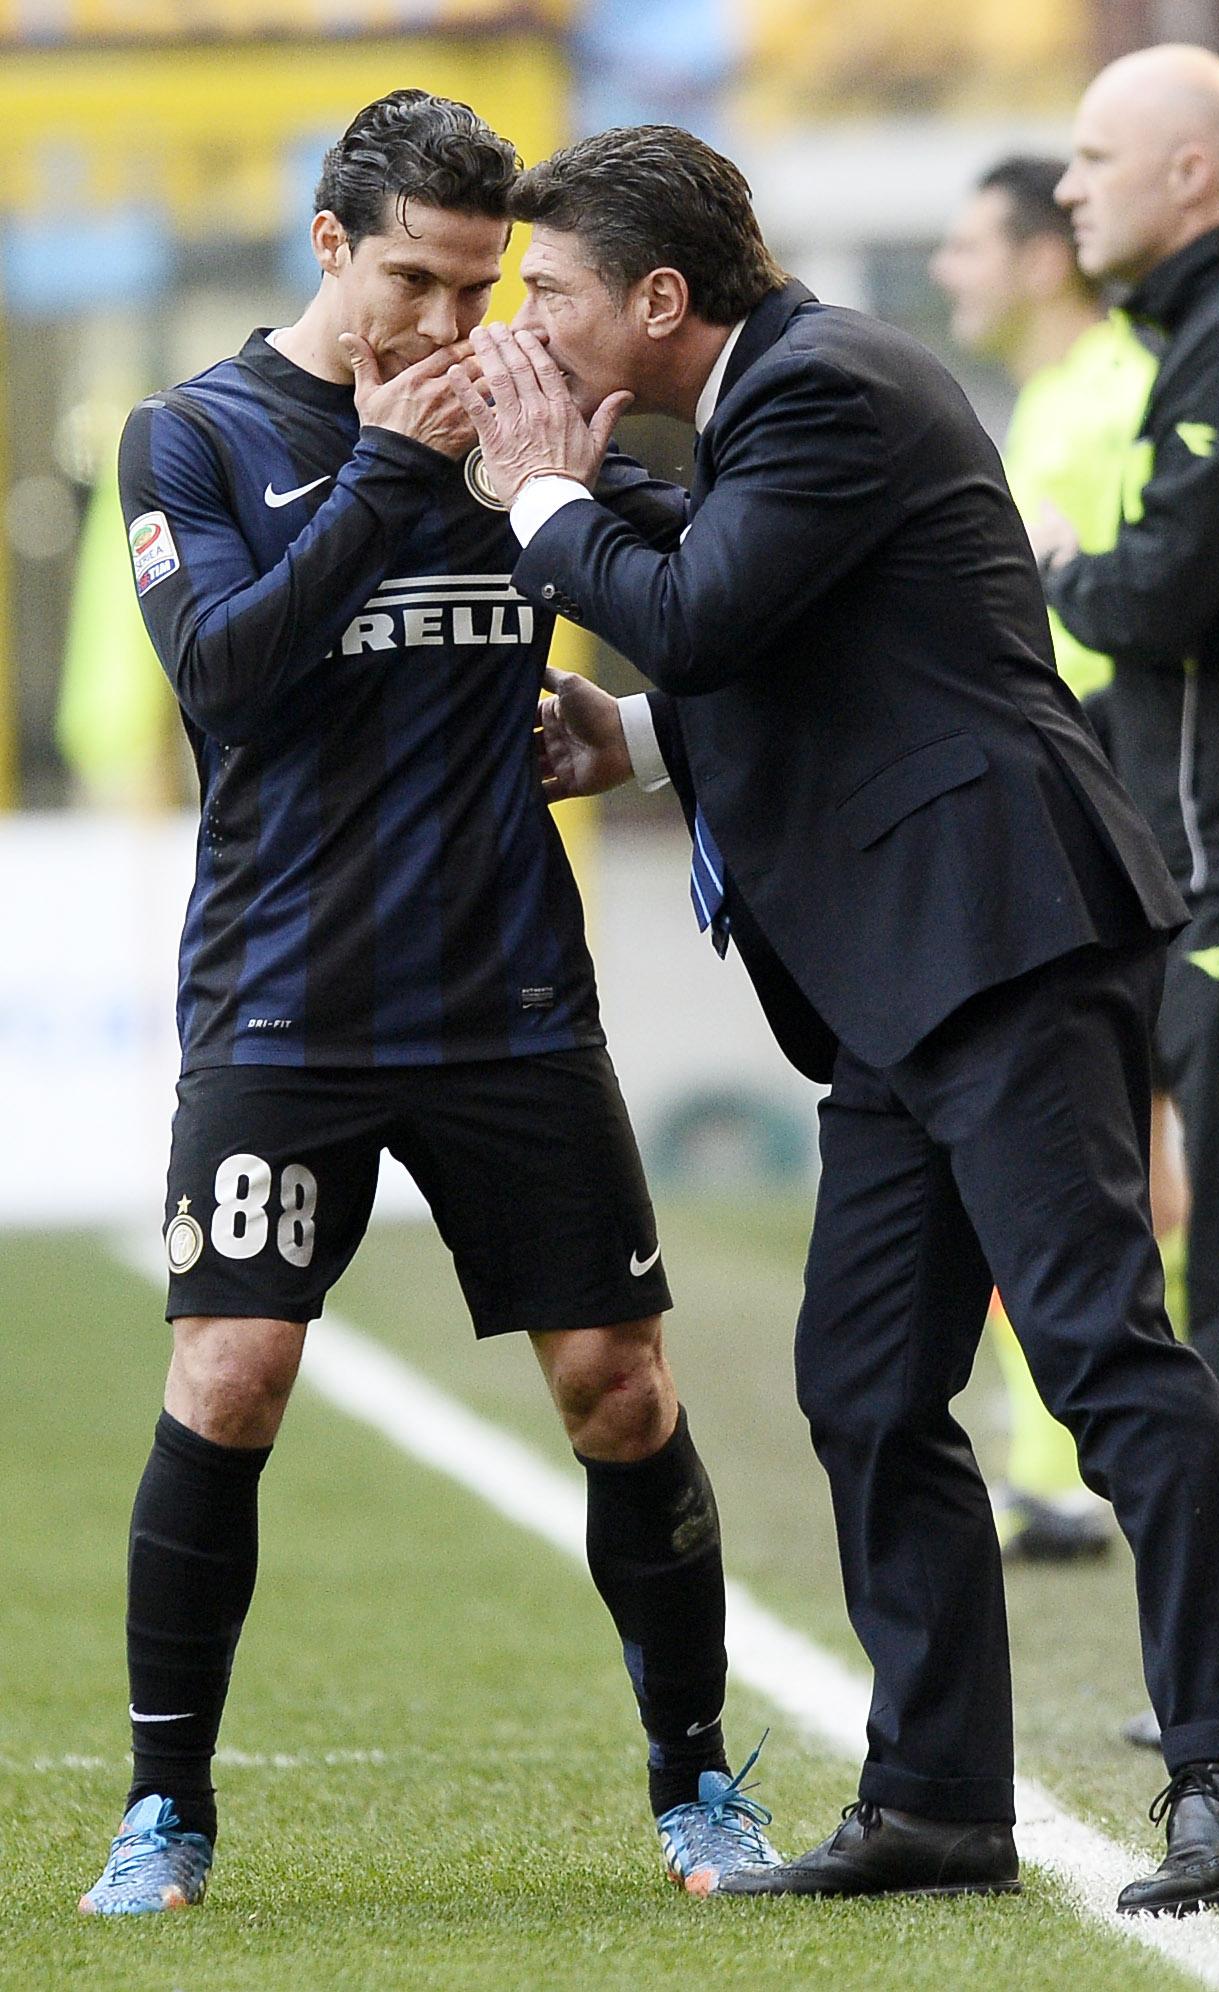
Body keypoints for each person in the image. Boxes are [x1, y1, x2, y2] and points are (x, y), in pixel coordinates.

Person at [446, 121, 1219, 1916]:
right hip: (906, 977)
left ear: (663, 298)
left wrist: (543, 496)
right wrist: (627, 734)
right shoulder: (780, 400)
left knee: (1096, 1350)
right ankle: (937, 1800)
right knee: (864, 1383)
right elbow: (800, 653)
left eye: (553, 291)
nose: (530, 327)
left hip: (998, 940)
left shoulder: (831, 385)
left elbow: (701, 607)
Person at [77, 90, 780, 1919]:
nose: (452, 332)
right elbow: (230, 682)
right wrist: (393, 468)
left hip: (510, 993)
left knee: (620, 1392)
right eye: (415, 281)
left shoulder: (522, 419)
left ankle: (697, 1781)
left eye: (482, 290)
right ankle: (167, 1809)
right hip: (284, 1000)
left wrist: (633, 717)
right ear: (330, 247)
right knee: (230, 1378)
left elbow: (721, 585)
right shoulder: (199, 435)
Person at [1032, 43, 1219, 1756]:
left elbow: (1159, 595)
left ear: (1197, 176)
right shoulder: (1213, 337)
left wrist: (1065, 562)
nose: (1070, 188)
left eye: (1092, 157)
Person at [931, 155, 1164, 1562]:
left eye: (965, 243)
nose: (948, 269)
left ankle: (1112, 1459)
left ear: (1036, 259)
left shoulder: (1126, 392)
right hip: (1062, 780)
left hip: (1115, 779)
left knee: (1138, 1155)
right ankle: (1062, 1461)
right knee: (1081, 1152)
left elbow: (1157, 599)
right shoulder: (1044, 402)